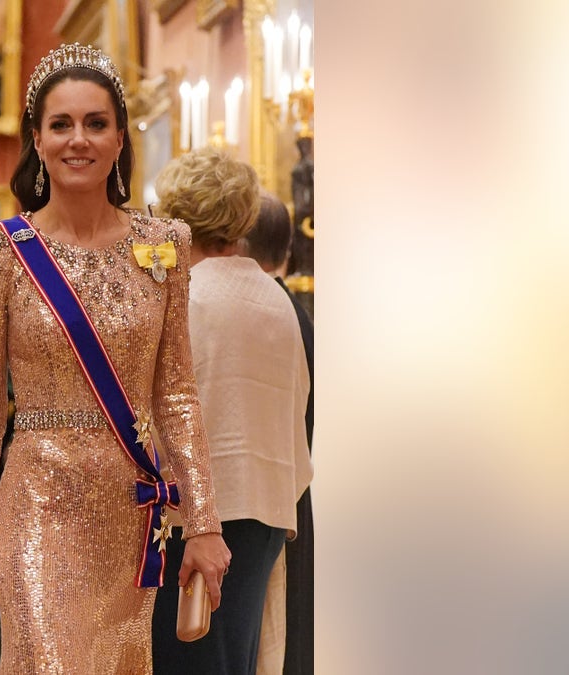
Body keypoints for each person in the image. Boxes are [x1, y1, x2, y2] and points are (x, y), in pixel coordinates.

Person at [0, 43, 230, 674]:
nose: (79, 140)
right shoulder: (0, 250)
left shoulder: (166, 244)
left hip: (132, 504)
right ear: (38, 141)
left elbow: (177, 394)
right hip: (35, 502)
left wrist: (204, 521)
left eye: (96, 123)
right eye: (61, 124)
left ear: (121, 138)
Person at [149, 149, 313, 675]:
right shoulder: (276, 298)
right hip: (263, 509)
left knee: (184, 657)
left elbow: (158, 412)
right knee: (230, 657)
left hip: (189, 519)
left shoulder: (184, 294)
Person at [244, 194, 315, 675]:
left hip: (263, 497)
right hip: (293, 487)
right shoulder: (295, 311)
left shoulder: (260, 310)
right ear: (287, 253)